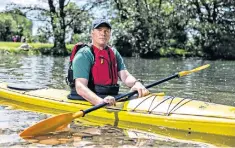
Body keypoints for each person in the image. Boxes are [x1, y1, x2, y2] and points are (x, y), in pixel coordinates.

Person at [71, 18, 149, 106]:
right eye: (99, 30)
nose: (103, 33)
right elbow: (80, 87)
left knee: (138, 93)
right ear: (92, 33)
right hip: (88, 98)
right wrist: (101, 102)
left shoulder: (113, 53)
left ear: (110, 34)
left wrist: (137, 83)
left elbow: (126, 77)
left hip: (110, 97)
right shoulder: (84, 54)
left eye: (106, 31)